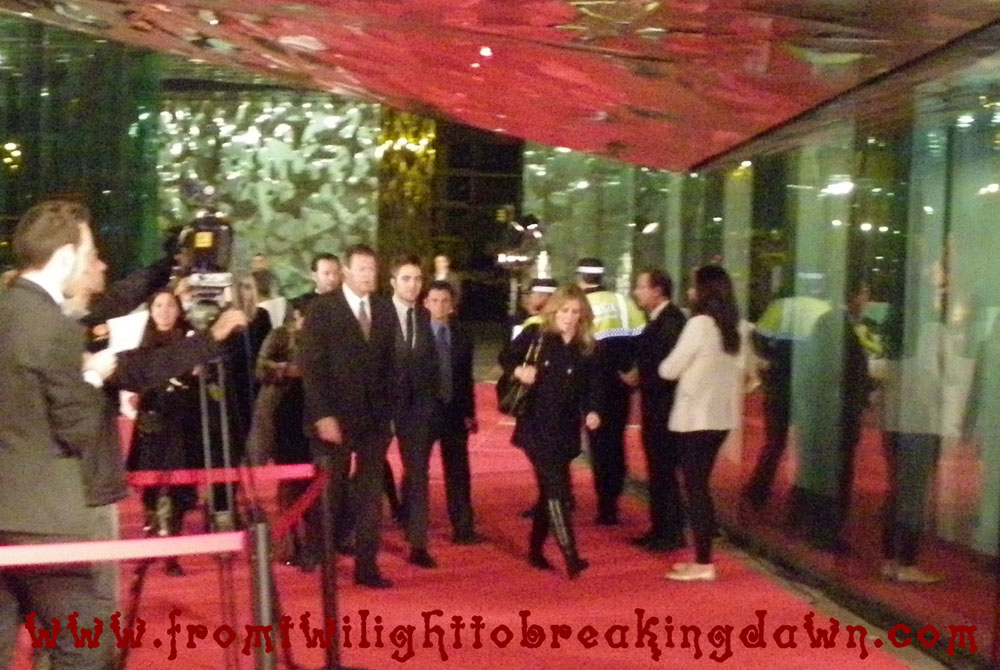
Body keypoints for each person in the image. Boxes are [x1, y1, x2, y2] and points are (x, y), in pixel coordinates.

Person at [0, 199, 114, 670]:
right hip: (42, 521)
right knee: (86, 644)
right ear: (65, 256)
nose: (90, 265)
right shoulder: (55, 327)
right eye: (86, 255)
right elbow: (78, 428)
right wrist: (92, 377)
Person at [300, 244, 397, 589]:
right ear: (346, 271)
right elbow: (312, 368)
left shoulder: (384, 309)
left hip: (374, 421)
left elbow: (391, 365)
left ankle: (367, 566)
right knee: (330, 491)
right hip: (333, 420)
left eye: (373, 269)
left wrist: (390, 415)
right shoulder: (322, 309)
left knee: (370, 495)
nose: (369, 275)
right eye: (362, 269)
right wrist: (323, 415)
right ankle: (320, 554)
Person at [500, 284, 602, 579]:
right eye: (564, 310)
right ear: (554, 311)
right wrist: (519, 371)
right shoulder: (537, 335)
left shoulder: (587, 347)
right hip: (536, 425)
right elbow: (506, 356)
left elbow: (592, 386)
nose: (569, 317)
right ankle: (571, 555)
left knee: (550, 491)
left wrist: (593, 411)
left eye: (575, 311)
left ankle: (535, 549)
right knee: (557, 490)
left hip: (565, 429)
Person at [658, 264, 746, 581]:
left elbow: (669, 369)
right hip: (721, 418)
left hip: (696, 417)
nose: (690, 291)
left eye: (694, 285)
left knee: (695, 489)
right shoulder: (736, 328)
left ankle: (704, 562)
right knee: (699, 486)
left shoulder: (699, 325)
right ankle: (702, 557)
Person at [125, 291, 202, 576]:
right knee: (151, 486)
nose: (164, 310)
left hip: (182, 423)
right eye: (158, 305)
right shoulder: (144, 344)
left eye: (170, 305)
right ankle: (150, 543)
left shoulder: (190, 342)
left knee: (177, 487)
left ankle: (171, 551)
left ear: (179, 309)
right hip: (151, 424)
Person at [621, 269, 687, 552]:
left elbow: (667, 369)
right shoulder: (661, 320)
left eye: (641, 287)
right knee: (659, 470)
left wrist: (639, 378)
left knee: (663, 470)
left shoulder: (670, 323)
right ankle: (661, 529)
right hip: (657, 406)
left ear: (658, 290)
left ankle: (669, 532)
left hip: (664, 409)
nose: (636, 292)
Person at [576, 257, 645, 525]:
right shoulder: (623, 302)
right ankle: (614, 498)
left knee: (598, 445)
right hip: (620, 384)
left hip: (592, 387)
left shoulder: (580, 306)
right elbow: (641, 338)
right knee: (616, 441)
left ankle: (606, 505)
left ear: (580, 278)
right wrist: (629, 369)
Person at [389, 254, 441, 568]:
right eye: (406, 279)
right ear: (393, 282)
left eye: (417, 279)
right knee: (369, 473)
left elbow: (430, 363)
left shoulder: (423, 316)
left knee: (418, 473)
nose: (412, 285)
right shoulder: (379, 314)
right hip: (383, 406)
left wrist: (429, 404)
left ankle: (418, 543)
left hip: (418, 409)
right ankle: (349, 535)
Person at [424, 280, 484, 545]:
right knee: (417, 471)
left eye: (444, 301)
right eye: (434, 301)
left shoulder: (462, 335)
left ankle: (463, 527)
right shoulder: (415, 334)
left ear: (452, 305)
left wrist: (470, 412)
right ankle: (413, 524)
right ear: (426, 303)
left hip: (454, 412)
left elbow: (465, 378)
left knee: (458, 471)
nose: (439, 306)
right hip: (423, 414)